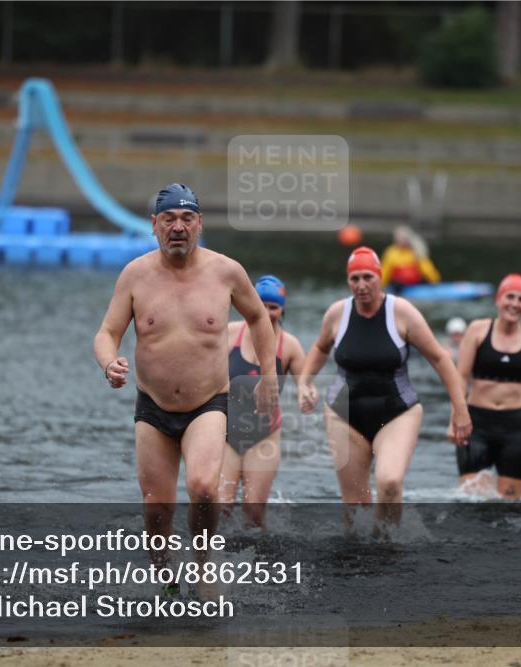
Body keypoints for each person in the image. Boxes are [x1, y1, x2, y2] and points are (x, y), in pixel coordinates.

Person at [93, 183, 279, 592]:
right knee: (157, 506)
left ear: (199, 224)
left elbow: (258, 319)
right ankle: (166, 582)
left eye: (187, 218)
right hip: (153, 407)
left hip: (208, 404)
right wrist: (109, 363)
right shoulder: (135, 275)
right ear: (154, 225)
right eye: (169, 219)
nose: (178, 227)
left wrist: (268, 374)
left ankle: (202, 564)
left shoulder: (226, 272)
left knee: (202, 487)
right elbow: (106, 332)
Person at [298, 246, 471, 527]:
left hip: (397, 412)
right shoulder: (337, 313)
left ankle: (387, 547)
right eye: (355, 279)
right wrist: (305, 382)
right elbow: (319, 348)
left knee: (389, 483)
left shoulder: (401, 312)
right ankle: (360, 561)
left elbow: (440, 358)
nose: (362, 285)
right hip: (344, 414)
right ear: (348, 281)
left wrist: (459, 408)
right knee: (355, 506)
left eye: (368, 277)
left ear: (380, 277)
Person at [455, 274, 521, 499]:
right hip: (476, 426)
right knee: (471, 502)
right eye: (509, 296)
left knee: (509, 506)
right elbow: (461, 378)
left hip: (514, 429)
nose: (514, 303)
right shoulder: (477, 330)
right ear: (498, 300)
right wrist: (455, 418)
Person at [220, 275, 305, 528]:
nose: (267, 313)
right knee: (219, 507)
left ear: (282, 309)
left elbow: (305, 382)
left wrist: (306, 394)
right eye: (262, 305)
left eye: (274, 307)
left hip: (264, 434)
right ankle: (214, 561)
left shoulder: (290, 346)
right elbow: (203, 369)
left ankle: (257, 562)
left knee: (253, 513)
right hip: (225, 431)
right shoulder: (230, 334)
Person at [380, 225, 441, 295]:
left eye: (402, 238)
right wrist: (380, 286)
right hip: (399, 286)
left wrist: (435, 281)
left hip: (416, 284)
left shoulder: (416, 251)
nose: (399, 240)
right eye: (398, 238)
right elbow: (385, 271)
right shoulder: (391, 253)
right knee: (396, 284)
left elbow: (427, 269)